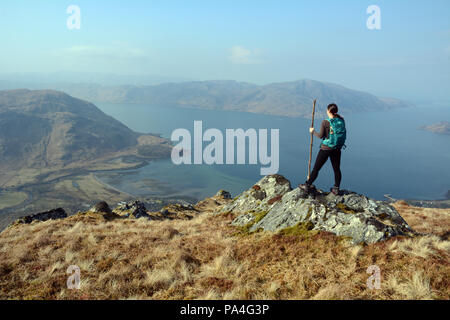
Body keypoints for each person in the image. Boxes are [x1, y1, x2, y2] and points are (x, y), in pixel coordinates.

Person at [299, 103, 346, 195]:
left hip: (326, 148)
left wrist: (313, 132)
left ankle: (307, 185)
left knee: (316, 168)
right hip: (337, 148)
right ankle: (336, 188)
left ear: (328, 111)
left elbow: (321, 136)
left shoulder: (326, 122)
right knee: (336, 169)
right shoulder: (341, 120)